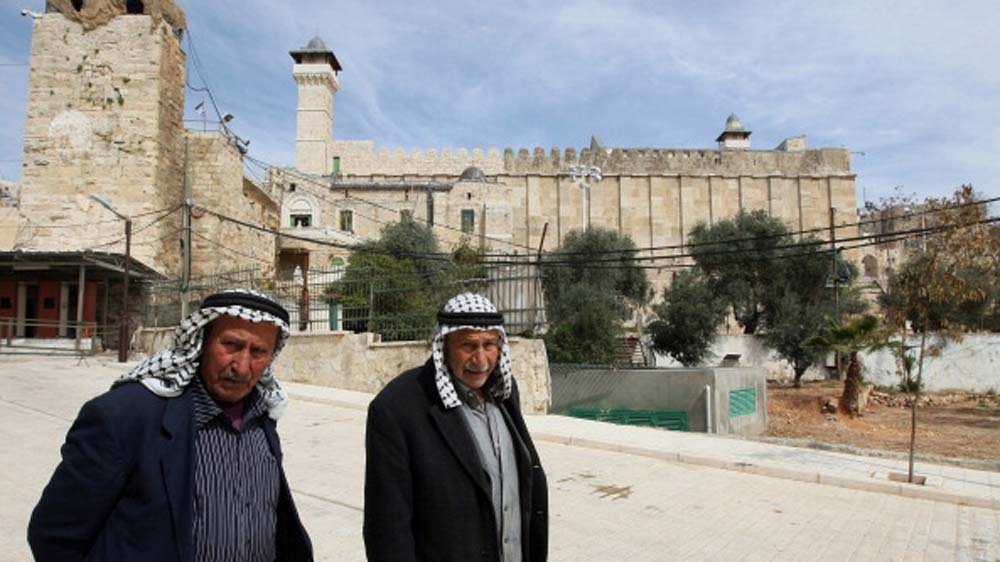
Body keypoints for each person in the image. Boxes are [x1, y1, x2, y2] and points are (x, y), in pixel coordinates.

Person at [27, 289, 313, 562]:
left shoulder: (262, 419)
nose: (241, 365)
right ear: (201, 342)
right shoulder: (124, 416)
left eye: (258, 352)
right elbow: (54, 536)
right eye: (231, 345)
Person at [363, 292, 548, 562]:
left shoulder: (504, 393)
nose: (481, 359)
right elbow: (388, 528)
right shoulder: (398, 409)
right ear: (444, 345)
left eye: (489, 345)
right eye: (469, 346)